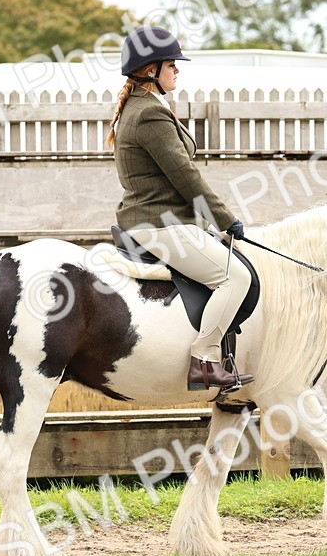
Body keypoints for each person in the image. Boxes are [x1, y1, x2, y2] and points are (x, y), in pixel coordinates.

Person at [107, 26, 255, 391]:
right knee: (236, 277)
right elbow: (186, 177)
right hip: (159, 224)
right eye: (171, 64)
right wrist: (226, 219)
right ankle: (204, 360)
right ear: (150, 70)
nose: (177, 70)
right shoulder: (148, 115)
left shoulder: (145, 107)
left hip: (162, 221)